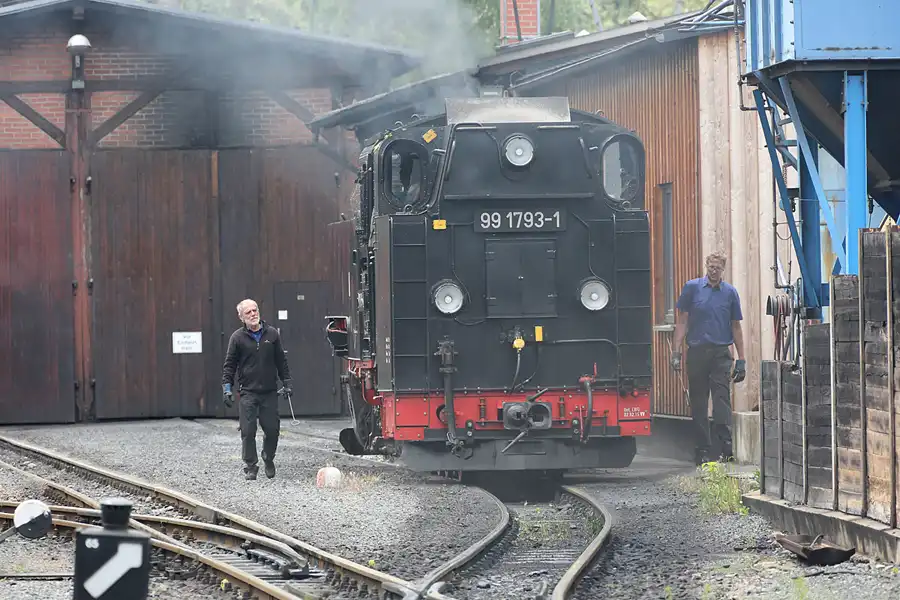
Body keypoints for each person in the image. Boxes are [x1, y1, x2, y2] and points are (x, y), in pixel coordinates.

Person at [670, 252, 746, 465]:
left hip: (721, 352)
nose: (714, 271)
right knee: (699, 402)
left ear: (723, 269)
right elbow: (682, 321)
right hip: (697, 352)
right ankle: (702, 449)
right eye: (711, 267)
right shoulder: (692, 288)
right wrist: (675, 352)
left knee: (722, 400)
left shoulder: (730, 293)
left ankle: (725, 448)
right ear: (706, 266)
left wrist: (742, 359)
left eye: (718, 268)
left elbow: (736, 326)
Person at [222, 299, 293, 480]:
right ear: (241, 317)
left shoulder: (272, 334)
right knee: (248, 430)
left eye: (255, 310)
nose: (253, 314)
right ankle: (250, 466)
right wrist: (227, 388)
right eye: (248, 312)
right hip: (248, 392)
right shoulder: (237, 338)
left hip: (269, 391)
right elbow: (229, 365)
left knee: (272, 430)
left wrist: (287, 383)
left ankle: (268, 457)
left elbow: (281, 361)